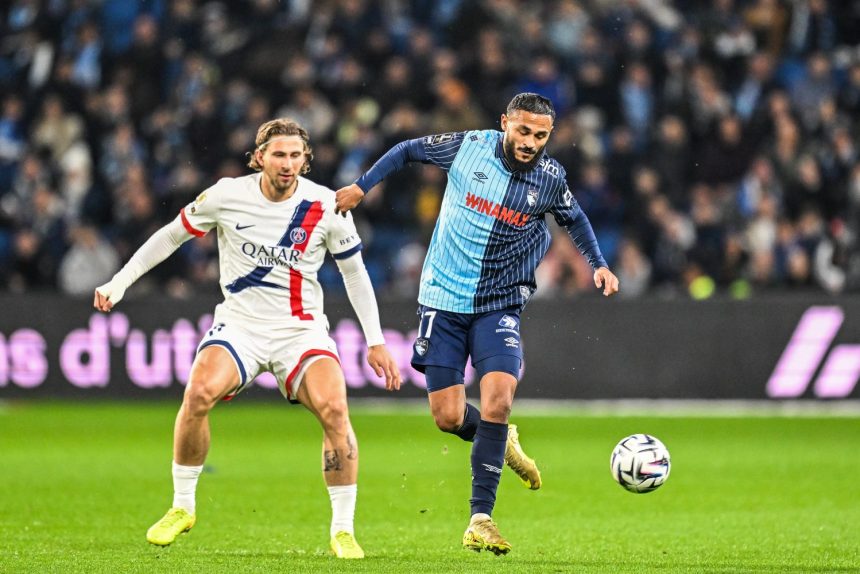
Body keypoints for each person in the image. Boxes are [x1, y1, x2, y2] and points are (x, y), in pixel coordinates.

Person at [94, 118, 401, 559]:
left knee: (335, 409)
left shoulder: (326, 205)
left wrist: (375, 340)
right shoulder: (226, 195)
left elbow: (354, 273)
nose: (288, 163)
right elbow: (170, 237)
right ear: (259, 157)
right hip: (240, 327)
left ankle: (343, 529)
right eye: (279, 154)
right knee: (198, 393)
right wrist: (119, 283)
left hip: (301, 331)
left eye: (296, 156)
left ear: (306, 160)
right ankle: (182, 506)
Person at [335, 93, 619, 555]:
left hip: (499, 303)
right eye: (523, 131)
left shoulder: (550, 178)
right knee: (448, 417)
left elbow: (576, 218)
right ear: (504, 122)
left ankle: (480, 518)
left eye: (540, 135)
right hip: (443, 300)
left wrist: (598, 263)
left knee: (498, 398)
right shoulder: (467, 147)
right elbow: (408, 150)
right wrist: (362, 187)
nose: (529, 142)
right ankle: (500, 440)